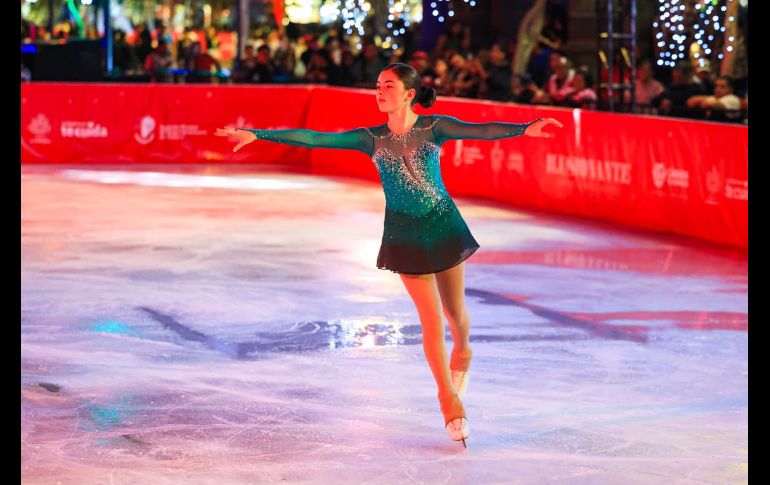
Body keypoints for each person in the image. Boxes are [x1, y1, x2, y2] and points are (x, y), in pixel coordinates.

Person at [215, 63, 562, 447]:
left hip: (443, 225)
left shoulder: (434, 128)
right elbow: (315, 138)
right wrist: (258, 134)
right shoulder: (371, 138)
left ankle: (464, 348)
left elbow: (481, 131)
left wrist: (525, 128)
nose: (379, 91)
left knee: (454, 314)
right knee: (431, 322)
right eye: (377, 85)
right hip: (404, 234)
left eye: (388, 86)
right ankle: (448, 400)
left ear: (410, 94)